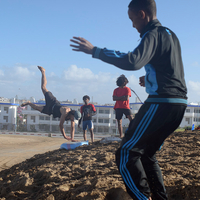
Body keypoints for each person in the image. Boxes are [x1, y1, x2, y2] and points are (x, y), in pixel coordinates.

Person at [70, 0, 187, 199]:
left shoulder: (152, 34)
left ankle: (142, 198)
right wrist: (149, 78)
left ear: (142, 14)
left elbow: (133, 61)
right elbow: (169, 68)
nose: (132, 25)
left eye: (132, 20)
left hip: (162, 102)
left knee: (126, 152)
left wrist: (96, 51)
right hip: (179, 104)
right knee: (147, 153)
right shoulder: (170, 34)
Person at [21, 66, 81, 142]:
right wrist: (65, 136)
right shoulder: (66, 111)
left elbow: (73, 128)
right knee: (43, 88)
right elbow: (60, 125)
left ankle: (29, 103)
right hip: (52, 102)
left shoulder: (73, 118)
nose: (73, 120)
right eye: (73, 118)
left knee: (36, 108)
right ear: (72, 114)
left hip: (50, 111)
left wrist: (72, 139)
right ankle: (43, 71)